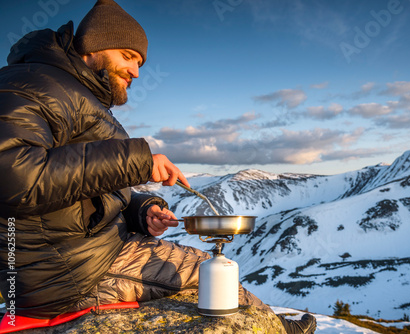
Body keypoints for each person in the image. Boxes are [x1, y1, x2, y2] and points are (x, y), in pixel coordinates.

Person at [0, 0, 316, 333]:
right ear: (94, 47)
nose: (136, 72)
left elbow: (73, 191)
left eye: (139, 63)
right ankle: (275, 329)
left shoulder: (66, 90)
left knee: (203, 265)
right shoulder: (29, 85)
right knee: (202, 271)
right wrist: (135, 161)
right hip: (67, 276)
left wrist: (140, 210)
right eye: (128, 56)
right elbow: (14, 177)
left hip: (81, 254)